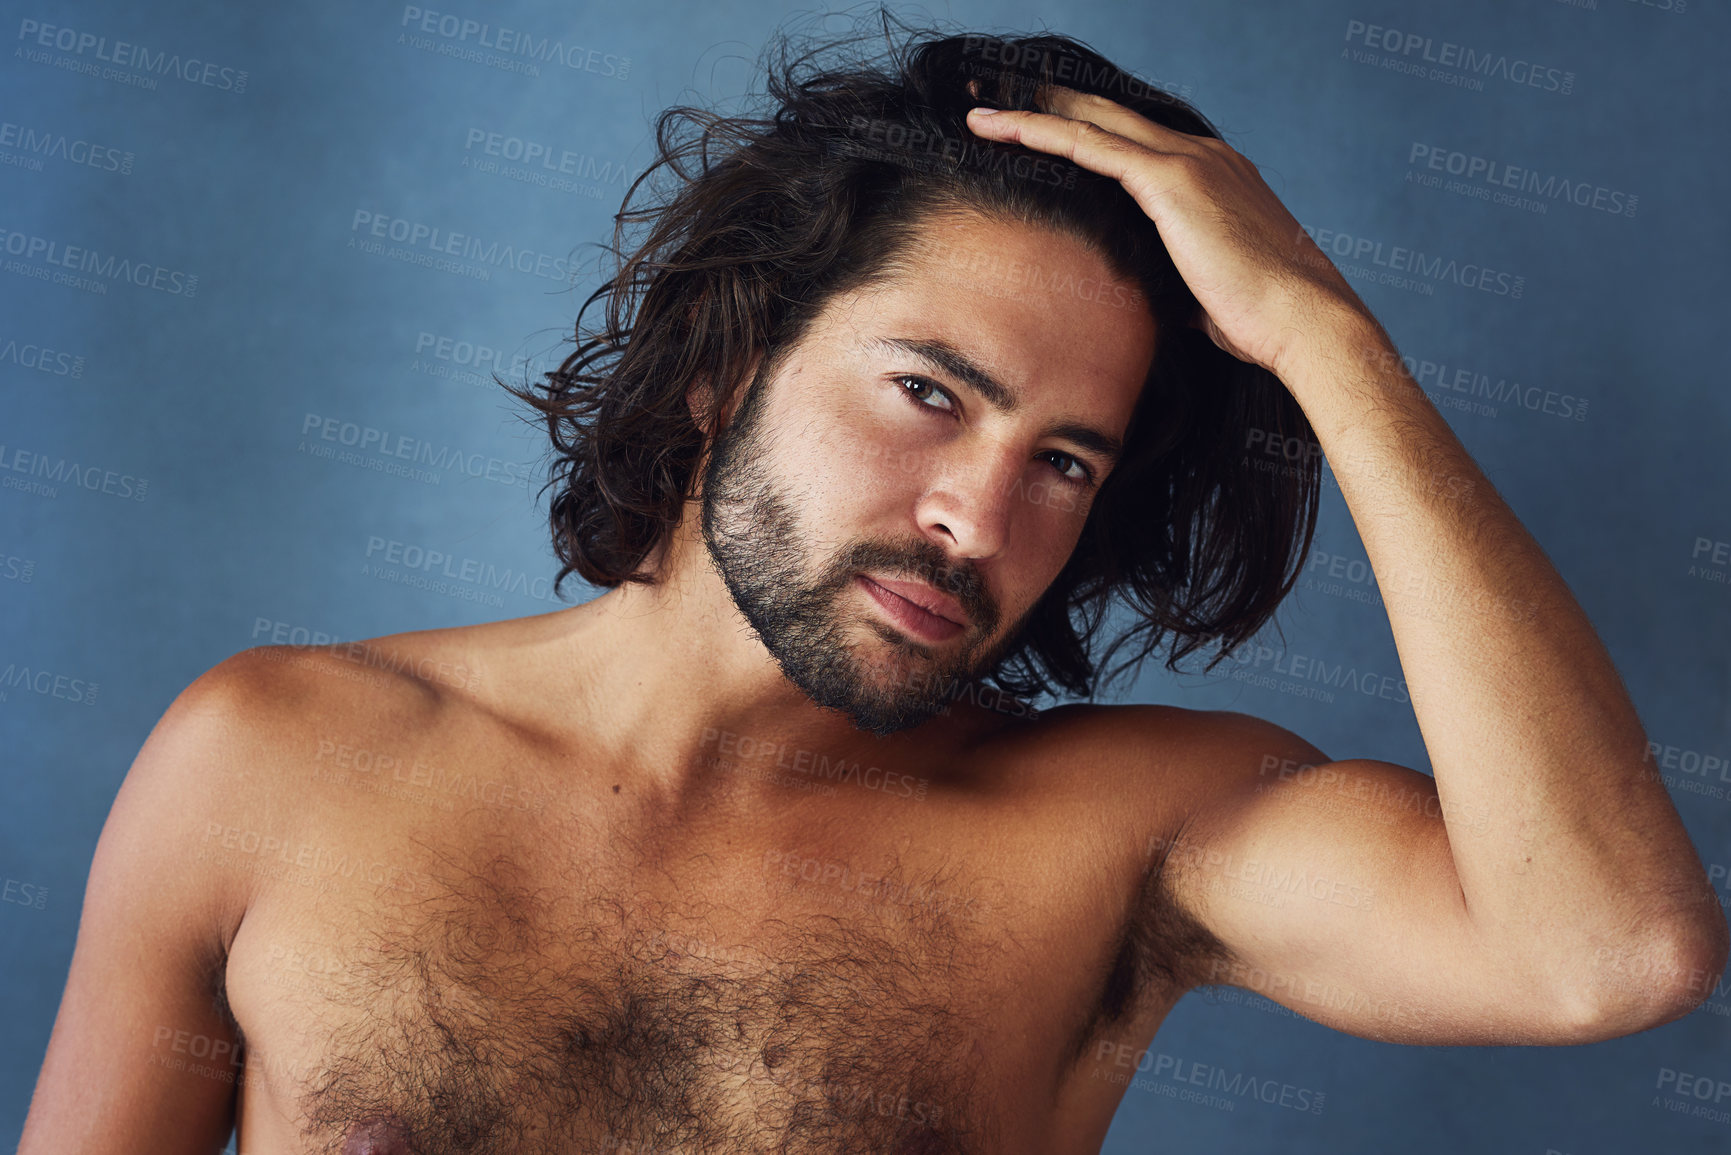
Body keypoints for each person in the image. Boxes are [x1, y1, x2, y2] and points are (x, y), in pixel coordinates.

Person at [21, 22, 1726, 1155]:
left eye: (1066, 458)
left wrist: (1326, 342)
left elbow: (1608, 949)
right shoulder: (271, 760)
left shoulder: (1127, 836)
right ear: (726, 363)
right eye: (932, 393)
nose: (980, 518)